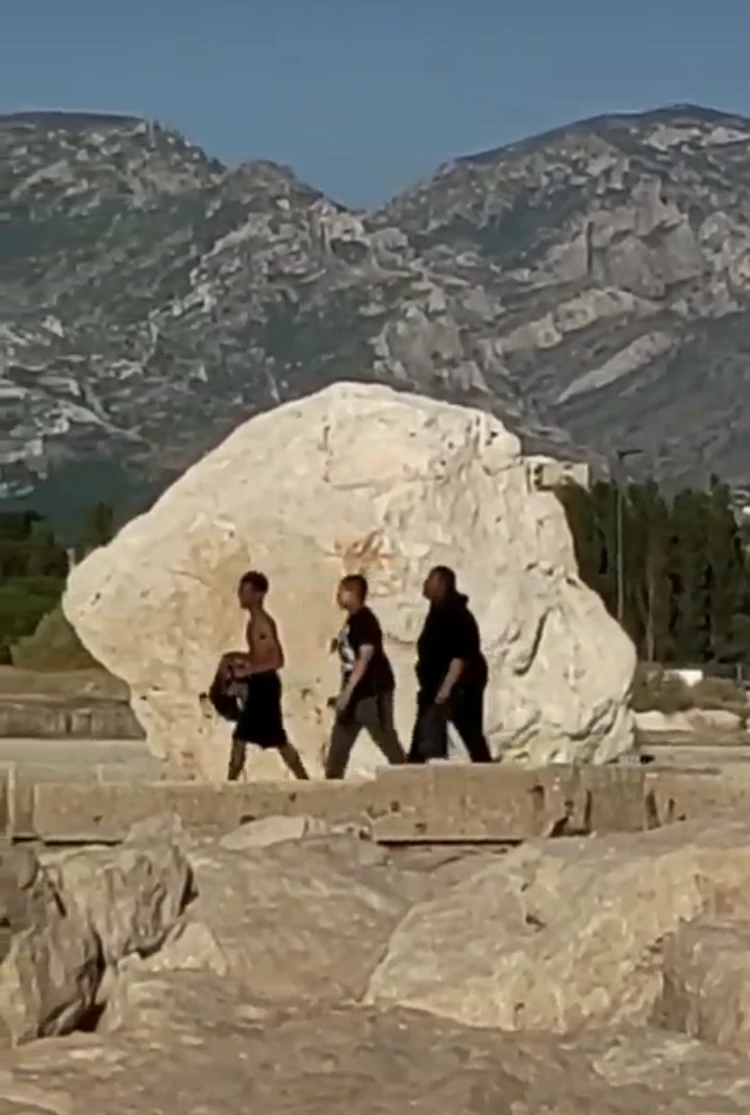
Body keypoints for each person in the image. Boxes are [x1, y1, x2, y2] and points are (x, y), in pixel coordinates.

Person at [226, 570, 309, 781]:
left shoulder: (261, 624)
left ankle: (231, 783)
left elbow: (276, 660)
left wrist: (247, 670)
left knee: (261, 737)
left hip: (264, 686)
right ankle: (302, 779)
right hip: (260, 684)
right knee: (253, 736)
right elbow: (260, 655)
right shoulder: (255, 623)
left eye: (244, 591)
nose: (240, 596)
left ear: (258, 594)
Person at [407, 565, 493, 764]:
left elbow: (460, 657)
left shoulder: (458, 616)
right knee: (423, 738)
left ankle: (489, 777)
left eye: (430, 580)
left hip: (459, 689)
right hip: (435, 688)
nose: (425, 584)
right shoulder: (437, 613)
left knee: (471, 735)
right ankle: (413, 775)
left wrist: (446, 689)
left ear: (441, 585)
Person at [325, 573, 406, 779]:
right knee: (338, 748)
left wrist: (346, 693)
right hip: (354, 696)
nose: (337, 595)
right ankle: (331, 790)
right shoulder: (352, 621)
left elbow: (365, 656)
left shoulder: (365, 620)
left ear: (352, 593)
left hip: (371, 693)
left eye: (341, 590)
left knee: (386, 739)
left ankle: (412, 780)